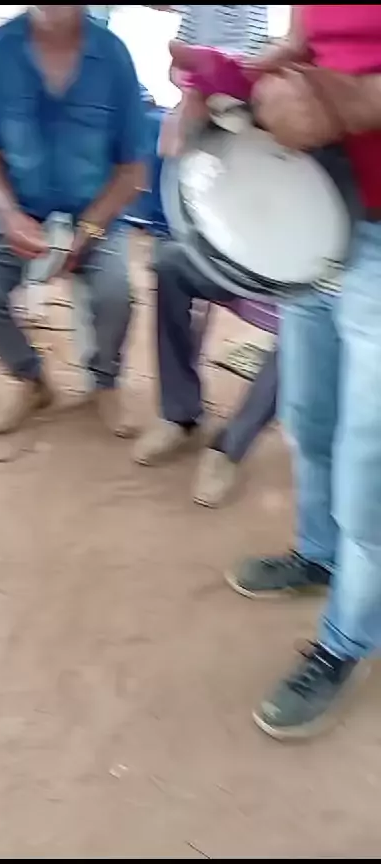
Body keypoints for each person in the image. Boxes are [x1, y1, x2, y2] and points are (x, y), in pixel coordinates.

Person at [225, 5, 381, 739]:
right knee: (310, 415)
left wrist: (348, 98)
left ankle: (348, 638)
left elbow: (349, 88)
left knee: (369, 462)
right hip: (321, 203)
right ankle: (319, 554)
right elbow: (307, 37)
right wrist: (253, 75)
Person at [0, 5, 146, 436]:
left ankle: (104, 382)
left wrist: (90, 230)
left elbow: (133, 173)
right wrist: (8, 215)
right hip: (22, 211)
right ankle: (31, 379)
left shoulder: (113, 56)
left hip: (95, 212)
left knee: (115, 295)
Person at [134, 5, 277, 509]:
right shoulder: (220, 113)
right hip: (238, 249)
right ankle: (180, 413)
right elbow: (177, 146)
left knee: (308, 322)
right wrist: (194, 101)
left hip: (296, 268)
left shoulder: (299, 101)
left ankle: (229, 448)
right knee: (172, 264)